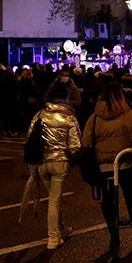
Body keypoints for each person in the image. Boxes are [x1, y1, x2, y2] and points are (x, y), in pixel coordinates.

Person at [81, 79, 132, 258]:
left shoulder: (94, 118)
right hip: (124, 165)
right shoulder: (130, 115)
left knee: (109, 205)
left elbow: (86, 142)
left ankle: (115, 238)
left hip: (103, 168)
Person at [19, 79, 82, 250]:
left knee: (54, 199)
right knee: (55, 200)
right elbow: (76, 146)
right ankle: (53, 237)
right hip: (60, 162)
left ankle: (60, 230)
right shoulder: (69, 117)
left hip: (42, 162)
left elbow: (29, 138)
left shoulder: (40, 114)